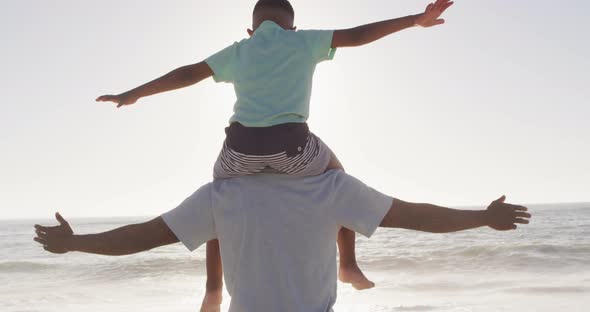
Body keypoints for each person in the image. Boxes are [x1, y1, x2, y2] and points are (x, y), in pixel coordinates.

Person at [95, 0, 455, 307]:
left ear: (251, 30)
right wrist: (414, 20)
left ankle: (212, 291)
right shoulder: (302, 42)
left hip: (238, 151)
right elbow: (358, 35)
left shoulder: (239, 50)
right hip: (294, 148)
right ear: (293, 27)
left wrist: (134, 93)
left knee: (220, 205)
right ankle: (348, 263)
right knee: (338, 176)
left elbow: (188, 74)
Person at [34, 170, 531, 312]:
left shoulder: (223, 195)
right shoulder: (329, 185)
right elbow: (142, 237)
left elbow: (414, 217)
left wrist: (482, 218)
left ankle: (348, 266)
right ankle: (348, 266)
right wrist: (481, 218)